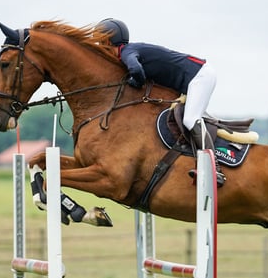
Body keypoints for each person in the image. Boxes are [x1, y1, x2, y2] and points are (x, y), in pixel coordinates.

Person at [96, 18, 225, 186]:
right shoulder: (129, 50)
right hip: (196, 77)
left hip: (200, 76)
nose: (99, 47)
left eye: (100, 42)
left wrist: (136, 81)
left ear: (107, 41)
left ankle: (214, 169)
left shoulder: (127, 52)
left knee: (190, 119)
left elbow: (135, 69)